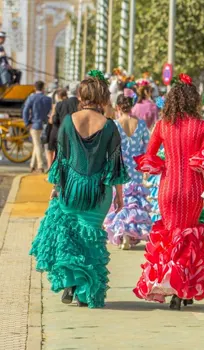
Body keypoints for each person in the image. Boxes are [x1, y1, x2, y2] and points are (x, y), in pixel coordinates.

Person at [30, 72, 130, 308]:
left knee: (70, 237)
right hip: (98, 191)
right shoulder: (109, 126)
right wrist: (120, 196)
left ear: (83, 96)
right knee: (91, 240)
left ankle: (71, 282)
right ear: (103, 97)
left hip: (71, 188)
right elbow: (115, 161)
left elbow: (61, 159)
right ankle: (86, 292)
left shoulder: (68, 121)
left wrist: (56, 187)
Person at [133, 73, 204, 310]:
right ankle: (183, 291)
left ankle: (171, 286)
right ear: (194, 101)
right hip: (193, 189)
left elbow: (149, 156)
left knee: (171, 236)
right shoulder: (202, 126)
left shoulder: (162, 125)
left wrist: (161, 165)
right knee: (189, 238)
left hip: (168, 187)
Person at [104, 95, 152, 250]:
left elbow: (110, 149)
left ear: (118, 107)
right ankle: (129, 234)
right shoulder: (141, 124)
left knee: (121, 200)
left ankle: (123, 234)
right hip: (136, 168)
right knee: (134, 202)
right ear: (131, 107)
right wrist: (146, 167)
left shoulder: (115, 125)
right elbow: (147, 147)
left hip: (120, 168)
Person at [23, 81, 52, 173]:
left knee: (37, 144)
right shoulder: (48, 99)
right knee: (38, 145)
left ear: (35, 88)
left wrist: (27, 122)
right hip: (45, 125)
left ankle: (40, 166)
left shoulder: (31, 98)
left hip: (34, 124)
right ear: (43, 88)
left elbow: (25, 111)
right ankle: (32, 165)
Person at [48, 86, 79, 166]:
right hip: (76, 134)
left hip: (62, 133)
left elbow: (55, 120)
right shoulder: (80, 104)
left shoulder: (60, 104)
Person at [46, 89, 68, 170]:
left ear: (58, 97)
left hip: (56, 131)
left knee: (50, 150)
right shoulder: (70, 104)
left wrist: (52, 114)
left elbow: (53, 120)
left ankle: (50, 168)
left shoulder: (58, 105)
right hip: (66, 132)